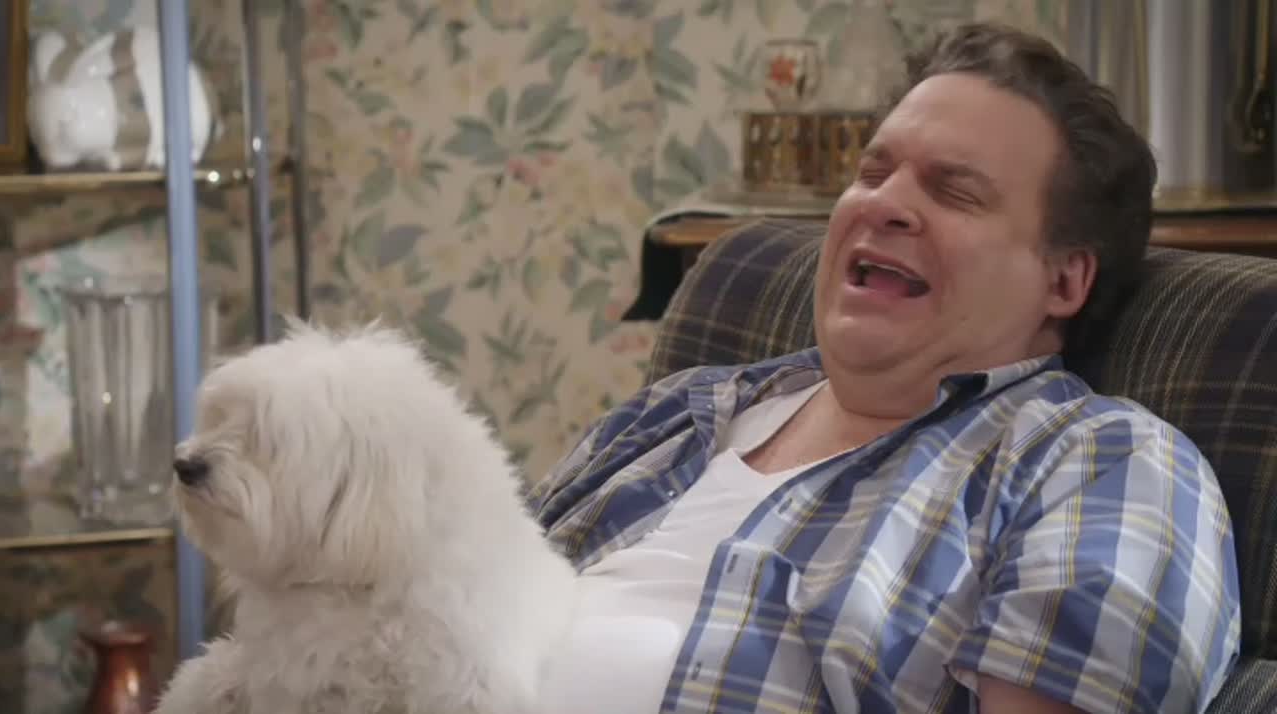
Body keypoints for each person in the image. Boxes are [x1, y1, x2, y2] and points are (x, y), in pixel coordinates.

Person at [530, 22, 1242, 714]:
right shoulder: (670, 414)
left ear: (1063, 280)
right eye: (873, 172)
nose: (883, 203)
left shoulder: (1100, 462)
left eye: (955, 190)